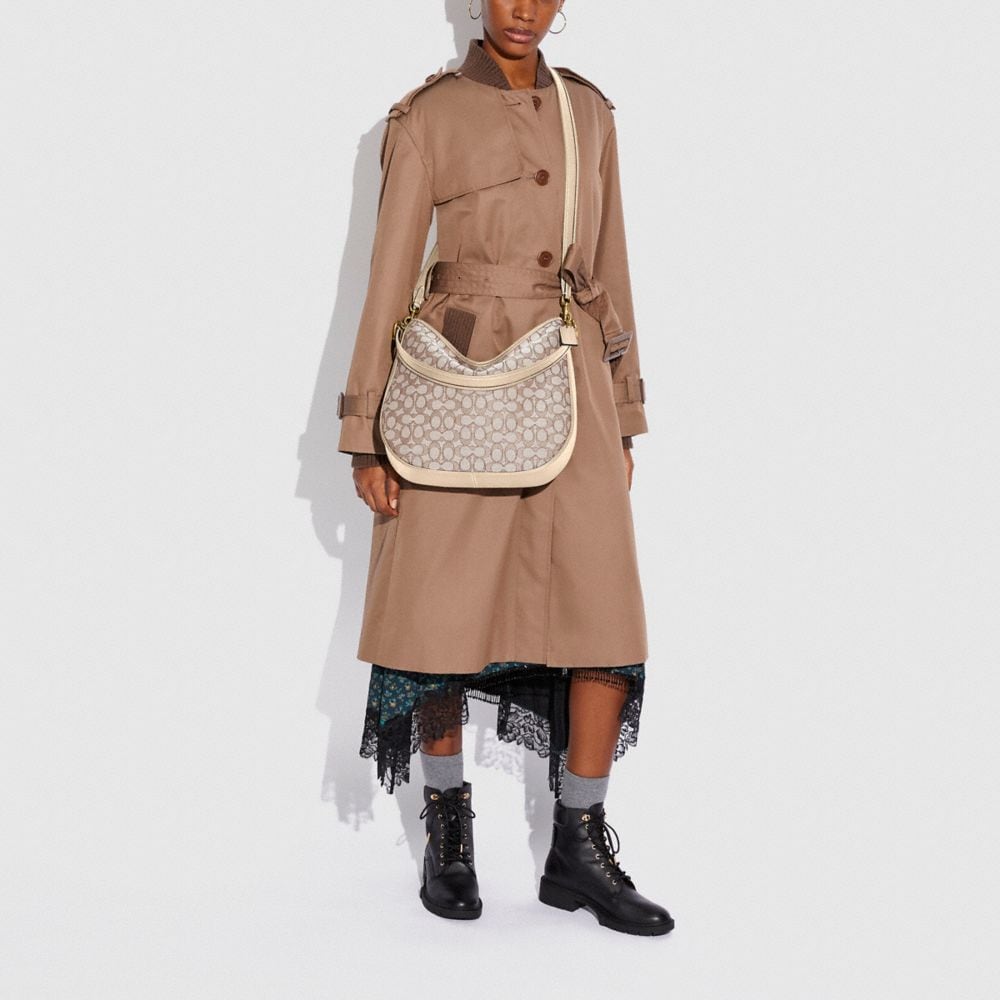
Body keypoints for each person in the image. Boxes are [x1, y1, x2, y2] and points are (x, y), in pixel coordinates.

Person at [336, 0, 674, 936]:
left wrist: (626, 412)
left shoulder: (590, 111)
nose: (524, 7)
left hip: (573, 379)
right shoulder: (428, 117)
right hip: (456, 384)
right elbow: (387, 276)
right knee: (435, 614)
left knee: (603, 614)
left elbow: (611, 262)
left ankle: (578, 847)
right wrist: (366, 431)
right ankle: (448, 832)